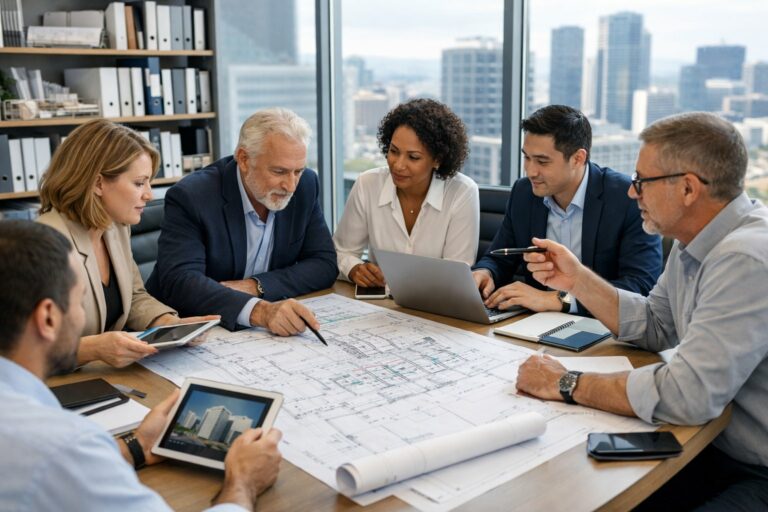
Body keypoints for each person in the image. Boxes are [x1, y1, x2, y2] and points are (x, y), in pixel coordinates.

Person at [516, 112, 768, 509]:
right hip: (712, 444)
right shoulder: (693, 241)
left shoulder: (744, 258)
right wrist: (577, 280)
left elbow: (688, 394)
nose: (633, 193)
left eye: (642, 181)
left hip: (754, 469)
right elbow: (656, 324)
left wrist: (566, 383)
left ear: (688, 188)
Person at [0, 220, 282, 511]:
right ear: (48, 318)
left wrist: (137, 446)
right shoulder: (64, 446)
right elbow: (63, 462)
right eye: (79, 300)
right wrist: (243, 482)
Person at [37, 119, 217, 369]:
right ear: (98, 184)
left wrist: (167, 323)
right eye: (139, 183)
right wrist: (92, 348)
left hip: (106, 375)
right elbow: (22, 350)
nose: (149, 195)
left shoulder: (114, 226)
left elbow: (133, 296)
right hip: (57, 384)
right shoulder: (45, 245)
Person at [147, 108, 337, 334]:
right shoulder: (193, 196)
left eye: (298, 171)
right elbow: (181, 282)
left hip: (256, 335)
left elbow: (324, 264)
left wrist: (257, 286)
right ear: (244, 159)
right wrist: (260, 311)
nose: (290, 186)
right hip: (189, 327)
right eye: (279, 171)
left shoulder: (306, 185)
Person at [472, 105, 661, 315]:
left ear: (578, 158)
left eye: (542, 161)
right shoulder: (524, 193)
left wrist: (559, 299)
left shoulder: (627, 198)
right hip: (535, 323)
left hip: (601, 325)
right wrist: (485, 272)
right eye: (527, 158)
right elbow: (499, 256)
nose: (530, 171)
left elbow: (640, 286)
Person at [333, 98, 479, 287]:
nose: (398, 165)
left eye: (413, 157)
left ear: (437, 159)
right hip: (377, 301)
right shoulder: (367, 184)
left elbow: (456, 273)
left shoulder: (462, 192)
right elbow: (341, 251)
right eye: (394, 151)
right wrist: (354, 269)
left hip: (434, 302)